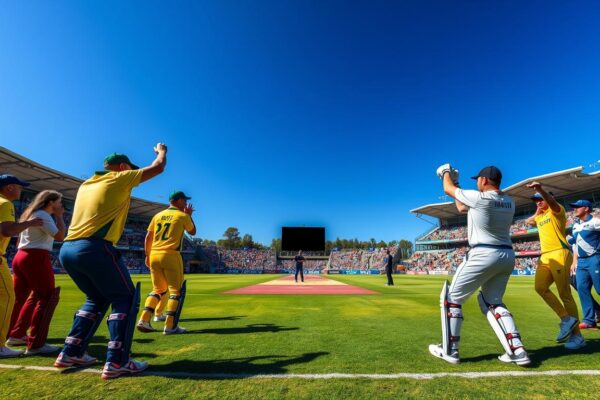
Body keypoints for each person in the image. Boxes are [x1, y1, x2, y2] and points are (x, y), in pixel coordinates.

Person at [54, 144, 167, 379]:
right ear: (123, 167)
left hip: (68, 249)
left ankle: (70, 351)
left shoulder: (87, 184)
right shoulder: (120, 178)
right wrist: (161, 151)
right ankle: (117, 361)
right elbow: (158, 168)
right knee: (125, 298)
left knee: (95, 298)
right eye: (129, 169)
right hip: (95, 247)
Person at [429, 165, 530, 366]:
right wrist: (458, 185)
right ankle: (517, 350)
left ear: (483, 180)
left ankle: (450, 351)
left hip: (483, 252)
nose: (476, 182)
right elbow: (460, 207)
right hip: (506, 254)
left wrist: (446, 173)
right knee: (493, 301)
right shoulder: (509, 202)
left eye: (478, 179)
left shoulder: (479, 198)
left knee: (451, 299)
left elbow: (448, 189)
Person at [525, 182, 584, 349]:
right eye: (535, 200)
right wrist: (538, 207)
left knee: (565, 294)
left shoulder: (557, 211)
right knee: (540, 287)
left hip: (560, 252)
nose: (538, 201)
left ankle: (577, 337)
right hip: (545, 257)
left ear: (548, 199)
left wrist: (540, 191)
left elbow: (550, 202)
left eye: (540, 200)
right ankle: (566, 318)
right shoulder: (541, 216)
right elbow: (529, 222)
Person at [7, 190, 66, 355]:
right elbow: (60, 236)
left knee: (21, 298)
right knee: (47, 298)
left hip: (21, 255)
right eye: (59, 202)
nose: (61, 205)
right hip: (36, 257)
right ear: (50, 202)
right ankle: (36, 344)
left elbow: (19, 239)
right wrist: (60, 217)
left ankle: (15, 334)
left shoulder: (29, 213)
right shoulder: (43, 215)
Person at [137, 190, 196, 334]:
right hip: (171, 255)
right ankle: (170, 326)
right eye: (184, 200)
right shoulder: (182, 215)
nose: (185, 203)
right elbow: (193, 232)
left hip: (154, 255)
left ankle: (144, 320)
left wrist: (147, 255)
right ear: (177, 201)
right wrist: (189, 215)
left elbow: (148, 238)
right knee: (175, 292)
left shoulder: (157, 215)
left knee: (158, 290)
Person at [0, 174, 44, 358]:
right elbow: (7, 230)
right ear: (9, 187)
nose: (21, 190)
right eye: (19, 186)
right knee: (8, 298)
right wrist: (30, 223)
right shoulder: (5, 203)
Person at [567, 200, 600, 330]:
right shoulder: (575, 226)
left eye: (577, 207)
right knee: (582, 289)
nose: (574, 209)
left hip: (595, 259)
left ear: (586, 208)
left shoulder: (595, 222)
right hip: (581, 262)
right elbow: (575, 244)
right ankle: (589, 321)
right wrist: (574, 261)